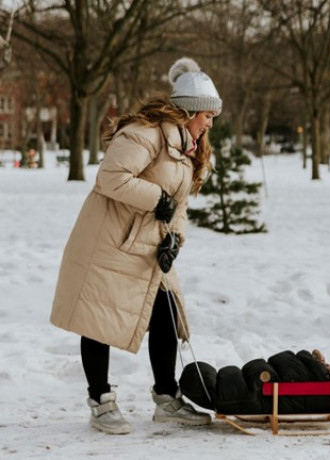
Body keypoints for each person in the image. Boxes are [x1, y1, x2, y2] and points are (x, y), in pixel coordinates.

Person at [50, 57, 222, 434]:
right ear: (190, 110)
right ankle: (101, 401)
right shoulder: (145, 134)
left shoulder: (186, 147)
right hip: (109, 242)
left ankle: (166, 398)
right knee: (98, 318)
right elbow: (110, 178)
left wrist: (176, 239)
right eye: (207, 115)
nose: (210, 123)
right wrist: (156, 198)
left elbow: (179, 204)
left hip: (146, 246)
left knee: (165, 314)